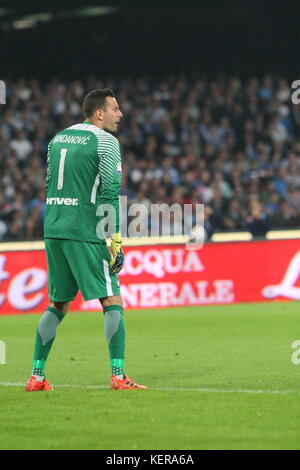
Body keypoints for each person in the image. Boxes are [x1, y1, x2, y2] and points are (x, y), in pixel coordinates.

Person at [25, 89, 147, 391]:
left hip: (54, 227)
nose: (120, 115)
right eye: (115, 109)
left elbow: (50, 183)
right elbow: (109, 193)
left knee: (59, 303)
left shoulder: (58, 138)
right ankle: (118, 375)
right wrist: (114, 238)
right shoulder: (106, 141)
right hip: (85, 230)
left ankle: (36, 376)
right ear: (99, 113)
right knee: (111, 299)